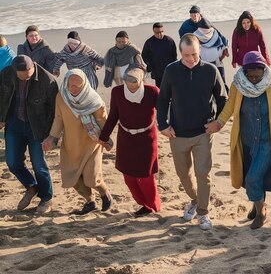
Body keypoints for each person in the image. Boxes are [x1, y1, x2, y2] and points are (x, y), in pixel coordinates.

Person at [206, 51, 271, 229]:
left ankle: (261, 212)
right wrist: (219, 123)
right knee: (250, 176)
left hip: (268, 141)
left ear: (264, 70)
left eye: (257, 76)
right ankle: (256, 204)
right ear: (243, 72)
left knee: (253, 178)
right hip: (246, 140)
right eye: (249, 76)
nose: (253, 79)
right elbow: (229, 106)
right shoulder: (238, 84)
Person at [156, 34, 228, 230]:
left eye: (194, 54)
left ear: (200, 51)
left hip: (202, 133)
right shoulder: (171, 71)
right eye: (186, 55)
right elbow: (162, 100)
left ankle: (203, 213)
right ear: (181, 52)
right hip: (177, 133)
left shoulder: (210, 70)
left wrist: (218, 123)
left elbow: (223, 100)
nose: (190, 59)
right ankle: (195, 200)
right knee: (183, 175)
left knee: (202, 174)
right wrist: (162, 124)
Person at [42, 69, 112, 215]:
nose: (74, 88)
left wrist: (107, 139)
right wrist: (52, 137)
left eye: (78, 85)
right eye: (71, 84)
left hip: (91, 144)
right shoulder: (61, 97)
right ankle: (90, 202)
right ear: (66, 83)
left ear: (85, 84)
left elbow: (102, 121)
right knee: (73, 178)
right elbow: (58, 119)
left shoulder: (94, 100)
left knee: (91, 178)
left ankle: (105, 193)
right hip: (71, 145)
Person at [99, 66, 161, 216]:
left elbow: (164, 111)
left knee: (146, 176)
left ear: (142, 80)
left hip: (147, 138)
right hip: (126, 138)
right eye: (128, 81)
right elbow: (113, 115)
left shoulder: (152, 91)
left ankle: (153, 206)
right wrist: (104, 136)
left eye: (135, 82)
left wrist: (171, 127)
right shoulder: (118, 92)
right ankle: (143, 203)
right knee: (129, 176)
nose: (131, 85)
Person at [0, 55, 57, 213]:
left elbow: (54, 111)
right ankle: (32, 187)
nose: (26, 78)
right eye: (22, 76)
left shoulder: (48, 80)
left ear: (33, 66)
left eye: (29, 74)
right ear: (14, 71)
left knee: (39, 165)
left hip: (37, 128)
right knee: (12, 163)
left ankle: (46, 199)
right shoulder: (6, 74)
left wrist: (50, 136)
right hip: (14, 124)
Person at [194, 18, 229, 86]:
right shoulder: (194, 36)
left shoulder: (215, 33)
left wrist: (220, 58)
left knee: (221, 83)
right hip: (202, 65)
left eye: (207, 30)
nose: (205, 33)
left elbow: (224, 46)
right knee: (205, 85)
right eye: (203, 30)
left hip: (218, 64)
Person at [142, 22, 178, 88]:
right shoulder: (149, 42)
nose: (160, 34)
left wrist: (175, 68)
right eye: (157, 33)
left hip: (169, 69)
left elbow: (174, 56)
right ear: (153, 31)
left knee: (172, 87)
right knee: (160, 90)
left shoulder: (170, 41)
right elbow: (144, 55)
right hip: (157, 70)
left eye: (161, 31)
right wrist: (150, 65)